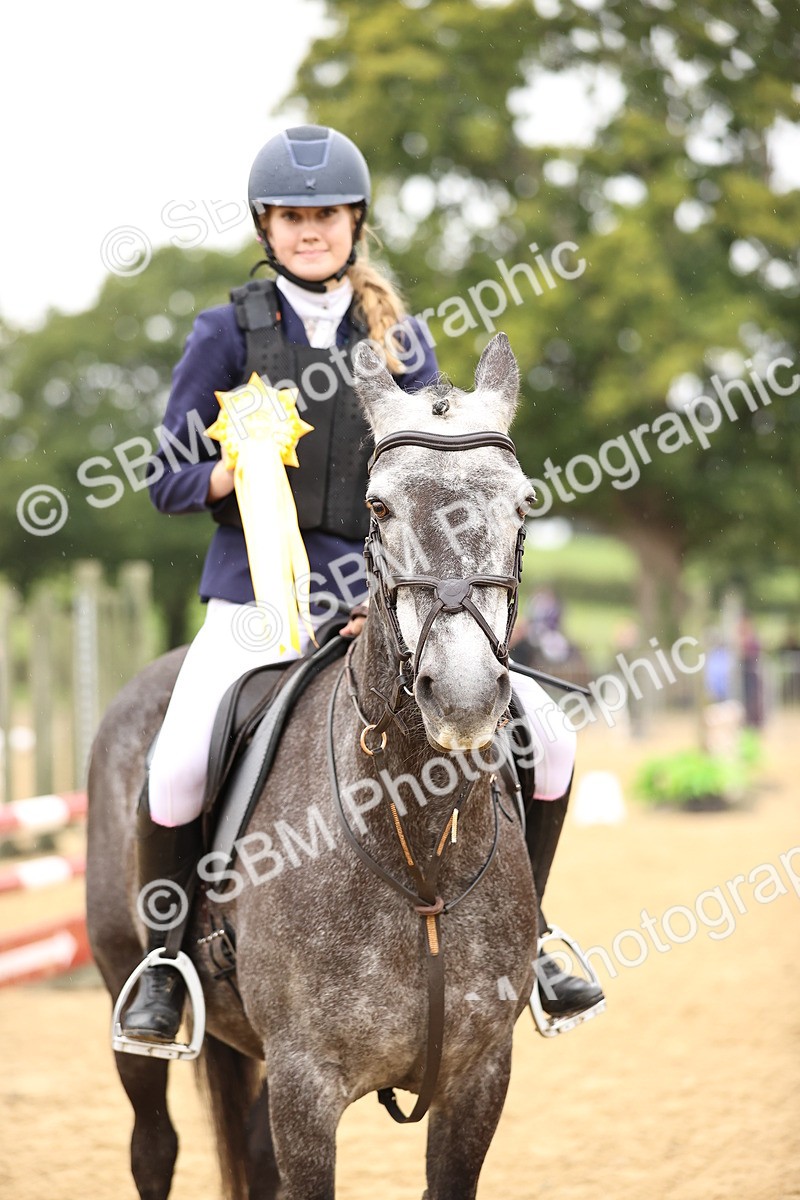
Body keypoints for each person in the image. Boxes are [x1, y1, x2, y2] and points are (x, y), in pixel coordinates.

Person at [120, 125, 603, 1046]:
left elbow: (429, 478)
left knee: (548, 735)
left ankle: (529, 936)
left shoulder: (398, 339)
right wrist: (233, 468)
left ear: (354, 223)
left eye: (327, 216)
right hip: (255, 598)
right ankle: (168, 964)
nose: (311, 231)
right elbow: (164, 475)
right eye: (294, 217)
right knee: (179, 760)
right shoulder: (224, 332)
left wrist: (400, 597)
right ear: (268, 225)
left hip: (374, 598)